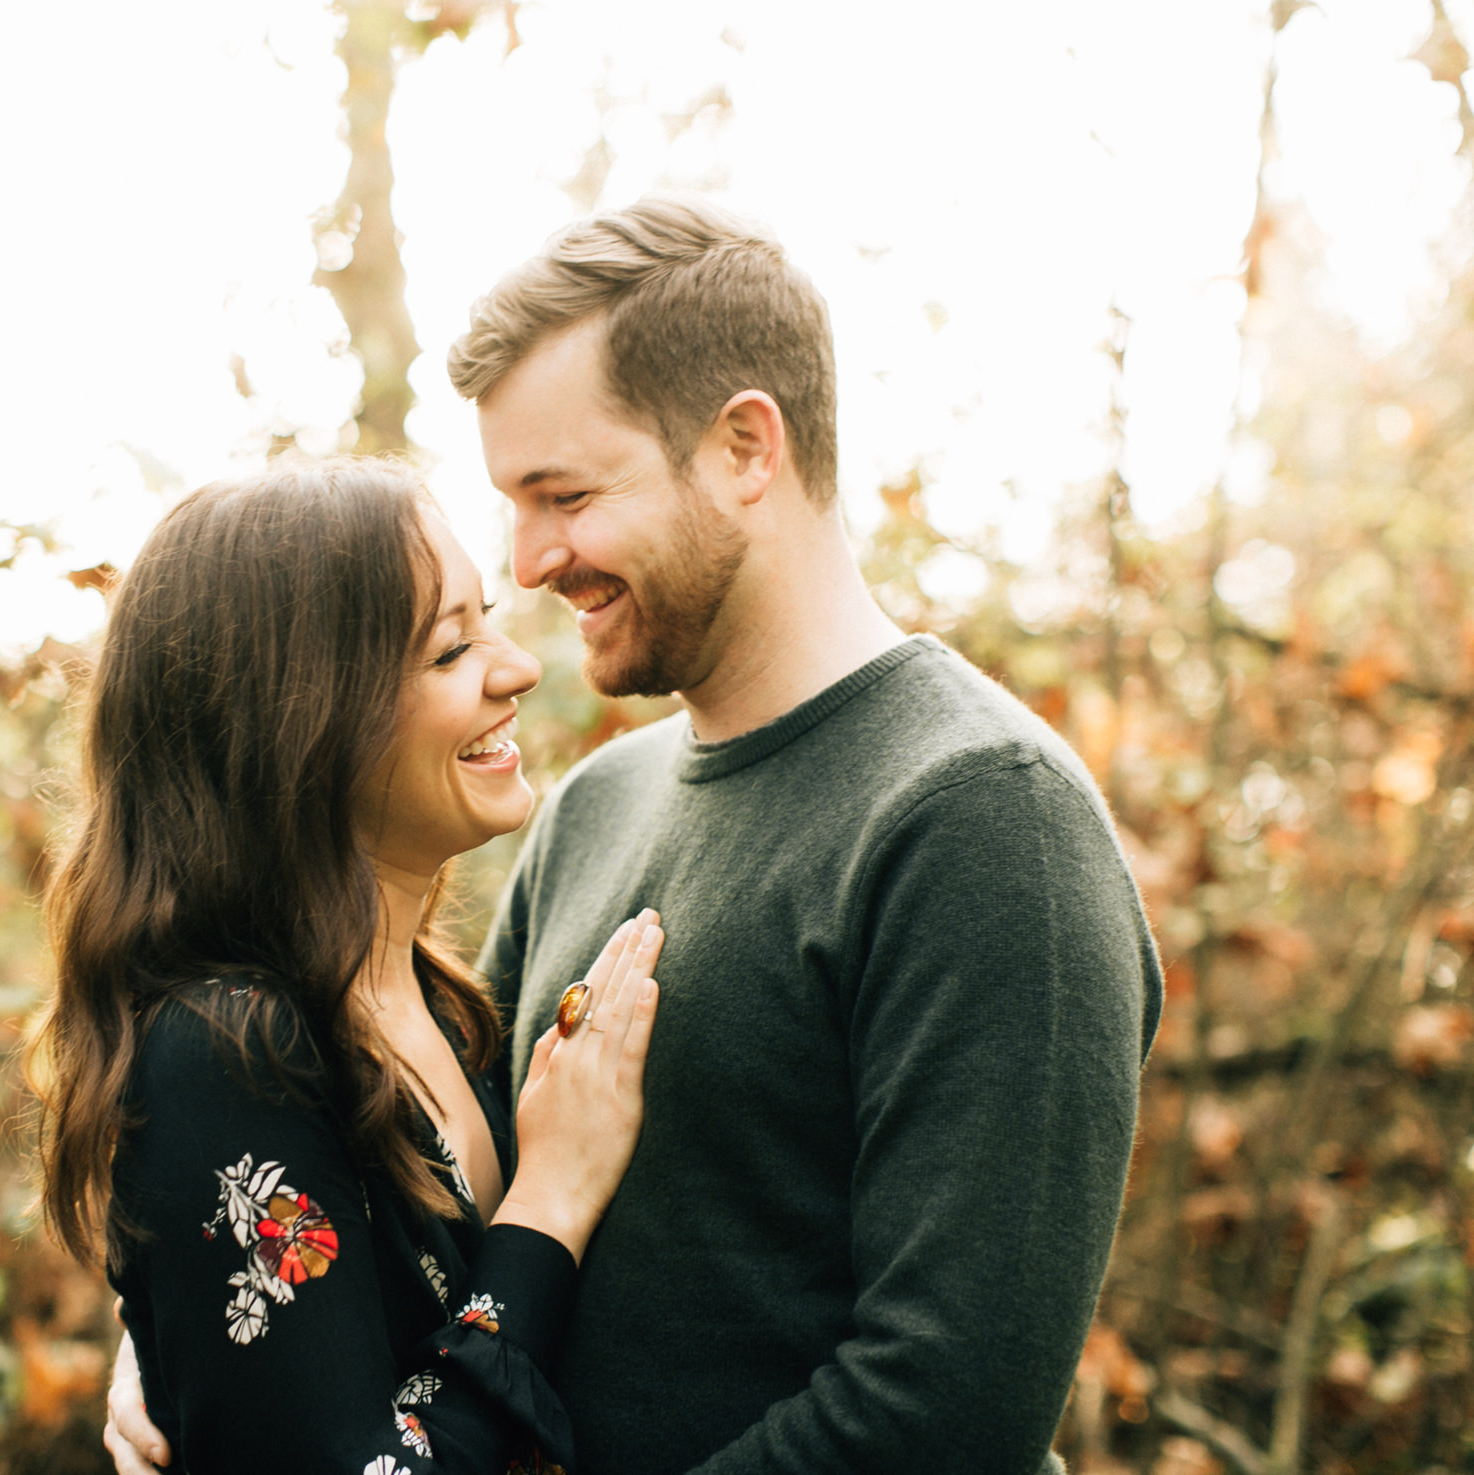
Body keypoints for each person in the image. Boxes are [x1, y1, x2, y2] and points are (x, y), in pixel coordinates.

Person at [108, 196, 1165, 1475]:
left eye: (562, 495)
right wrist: (190, 1315)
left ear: (741, 449)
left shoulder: (982, 820)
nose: (532, 560)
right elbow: (409, 1176)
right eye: (510, 503)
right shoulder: (593, 806)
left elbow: (939, 1412)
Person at [27, 457, 665, 1474]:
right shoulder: (225, 1045)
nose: (515, 667)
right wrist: (551, 1198)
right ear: (304, 721)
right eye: (451, 647)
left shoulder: (438, 1002)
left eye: (485, 621)